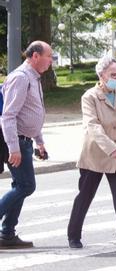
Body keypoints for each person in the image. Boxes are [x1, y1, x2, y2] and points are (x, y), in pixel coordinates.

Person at [67, 56, 116, 255]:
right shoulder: (89, 96)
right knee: (85, 195)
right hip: (95, 154)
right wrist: (111, 148)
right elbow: (92, 126)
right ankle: (73, 233)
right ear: (102, 75)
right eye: (113, 75)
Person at [0, 41, 52, 249]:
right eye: (49, 56)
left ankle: (7, 234)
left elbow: (31, 113)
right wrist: (14, 148)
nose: (51, 61)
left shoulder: (34, 78)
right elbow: (8, 116)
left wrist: (40, 142)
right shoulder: (21, 78)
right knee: (26, 186)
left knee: (20, 186)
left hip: (25, 141)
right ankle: (6, 232)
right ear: (36, 56)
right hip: (16, 141)